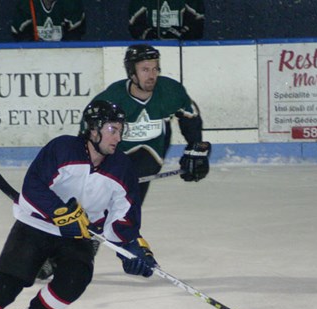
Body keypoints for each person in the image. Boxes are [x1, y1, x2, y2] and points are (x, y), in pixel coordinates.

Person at [0, 100, 159, 309]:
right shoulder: (63, 148)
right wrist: (61, 213)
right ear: (94, 129)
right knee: (7, 283)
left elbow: (125, 214)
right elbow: (33, 187)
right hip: (36, 225)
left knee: (75, 280)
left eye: (121, 130)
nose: (118, 137)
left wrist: (131, 249)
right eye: (113, 129)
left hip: (79, 235)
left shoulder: (122, 168)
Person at [35, 44, 210, 280]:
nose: (152, 75)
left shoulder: (170, 90)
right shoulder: (111, 100)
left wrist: (196, 150)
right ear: (132, 72)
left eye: (155, 68)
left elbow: (190, 117)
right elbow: (87, 137)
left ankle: (72, 258)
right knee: (91, 210)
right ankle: (63, 256)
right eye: (145, 69)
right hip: (113, 160)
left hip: (149, 160)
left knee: (116, 212)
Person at [11, 0, 86, 41]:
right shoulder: (25, 6)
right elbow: (21, 41)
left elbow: (74, 40)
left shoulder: (71, 4)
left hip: (65, 59)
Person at [128, 0, 205, 40]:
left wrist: (180, 33)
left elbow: (197, 25)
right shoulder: (140, 1)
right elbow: (135, 26)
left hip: (184, 53)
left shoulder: (192, 1)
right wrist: (150, 35)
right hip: (150, 52)